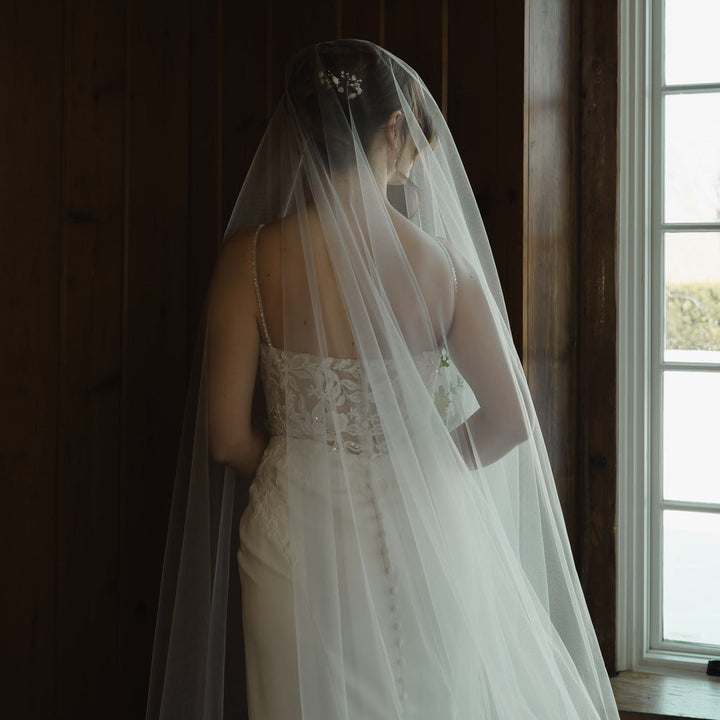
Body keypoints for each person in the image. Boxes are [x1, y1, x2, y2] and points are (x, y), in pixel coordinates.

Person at [145, 39, 621, 719]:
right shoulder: (447, 269)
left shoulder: (246, 260)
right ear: (392, 128)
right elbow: (511, 421)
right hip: (422, 533)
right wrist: (421, 465)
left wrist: (301, 461)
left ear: (303, 132)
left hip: (292, 542)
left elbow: (225, 441)